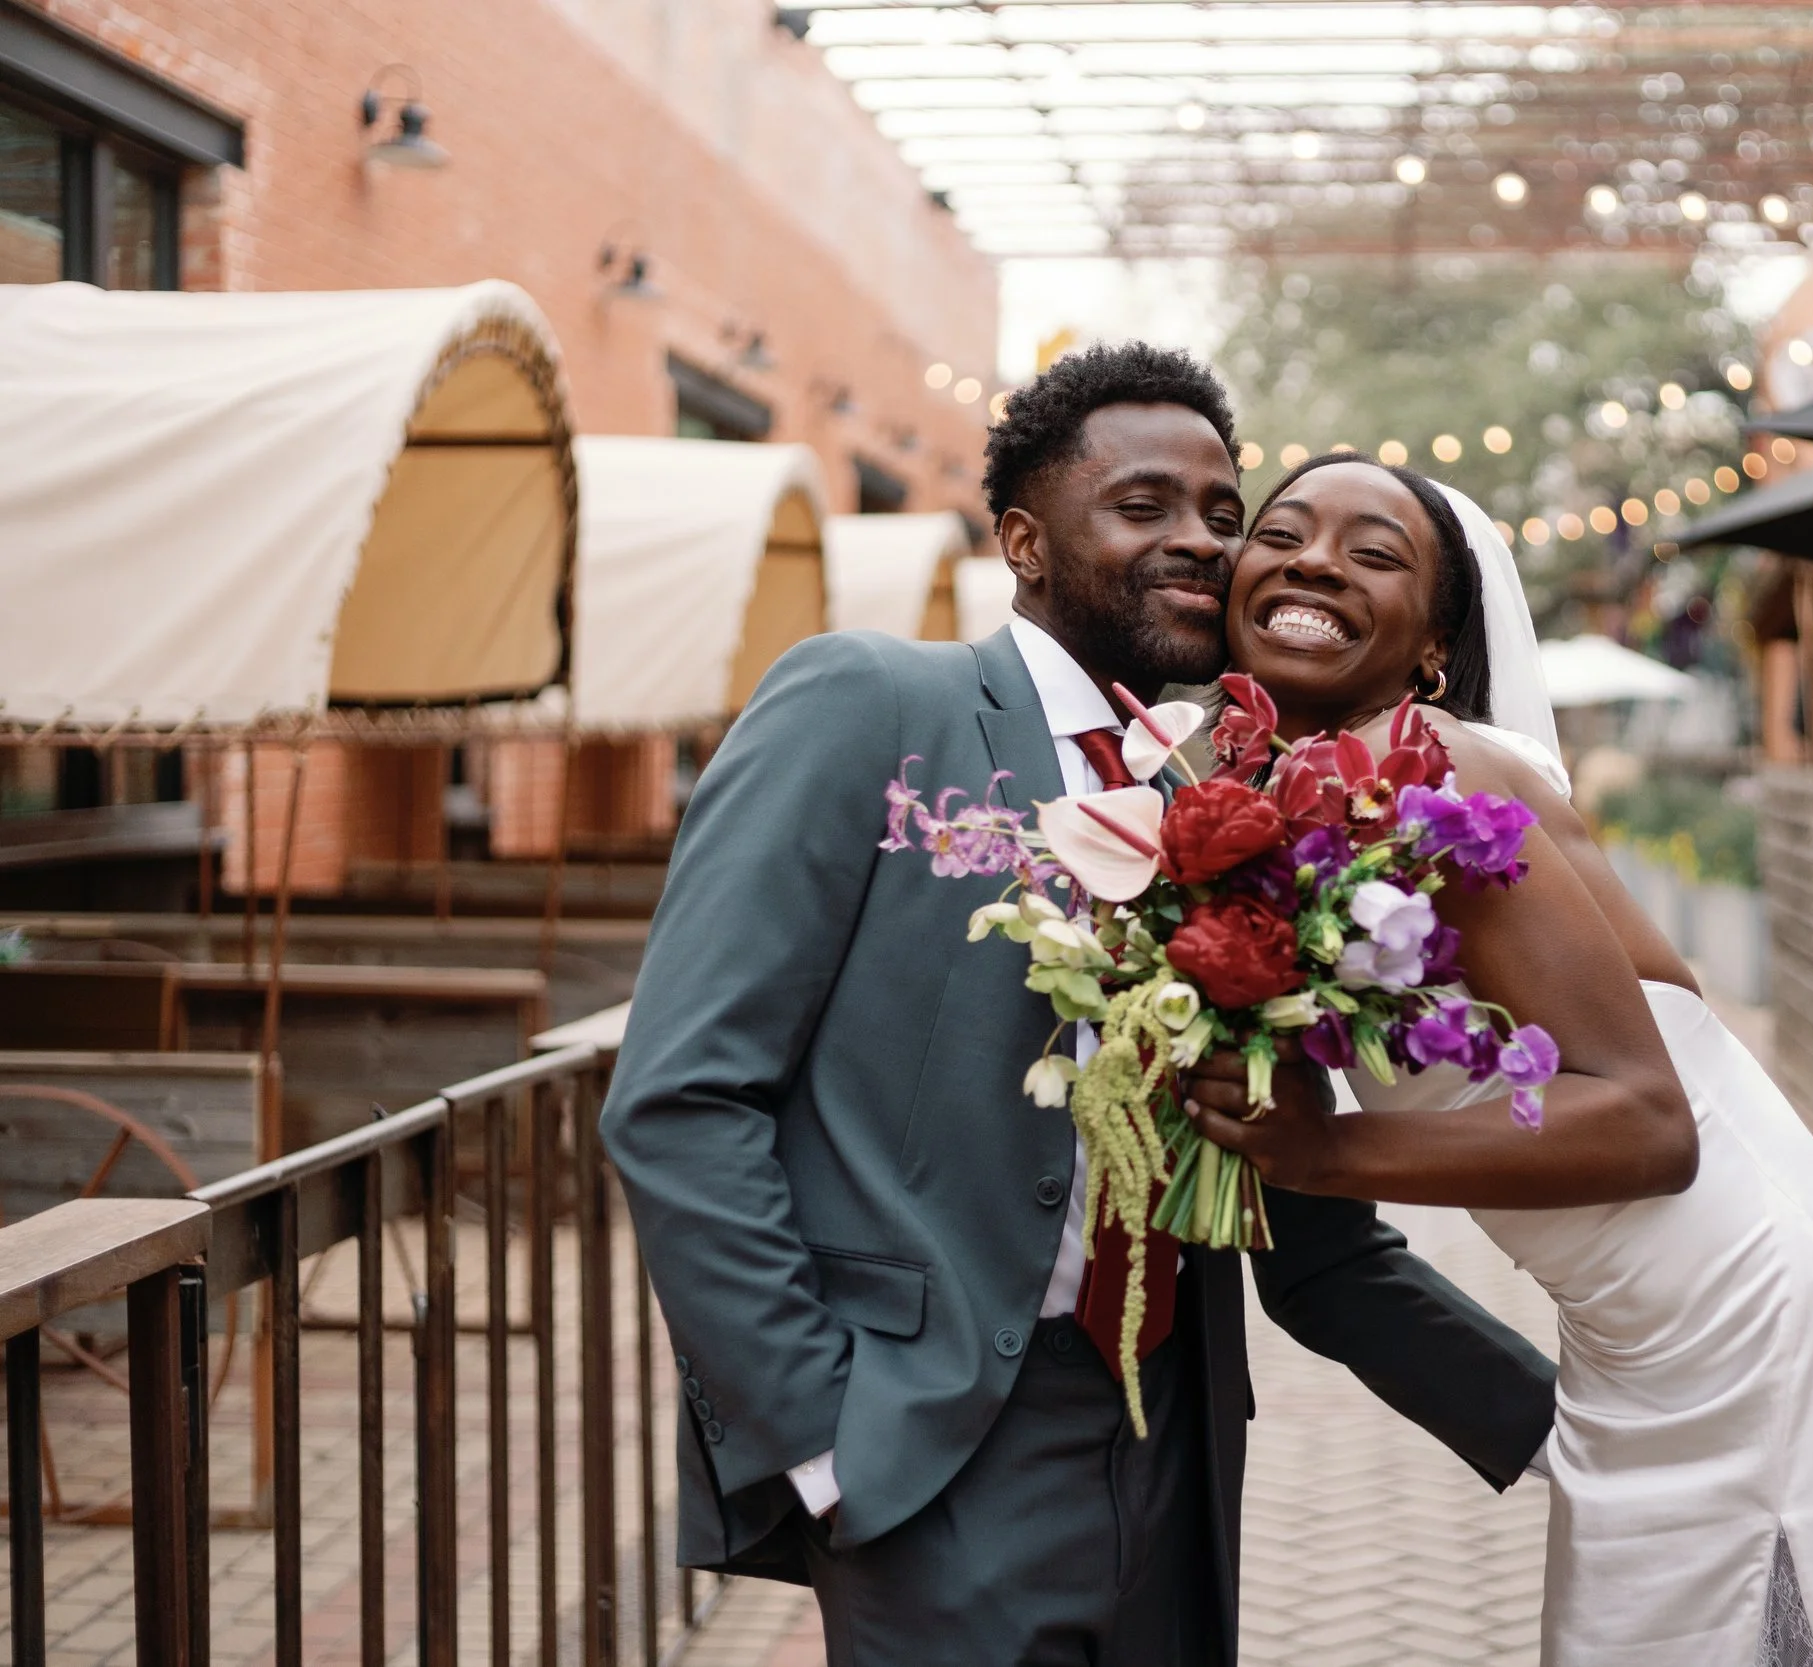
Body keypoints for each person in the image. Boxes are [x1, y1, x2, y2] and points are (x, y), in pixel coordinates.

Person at [599, 345, 1573, 1667]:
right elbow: (681, 1097)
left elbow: (1308, 1223)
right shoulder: (872, 703)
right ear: (1024, 538)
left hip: (1170, 1432)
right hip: (933, 1440)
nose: (1199, 542)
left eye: (1225, 514)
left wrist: (1588, 1436)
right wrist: (827, 1438)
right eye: (1144, 504)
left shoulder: (1220, 800)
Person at [1181, 451, 1813, 1667]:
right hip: (1637, 1353)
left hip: (1754, 1339)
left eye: (1375, 553)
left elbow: (1650, 1124)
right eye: (1284, 533)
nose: (1315, 560)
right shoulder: (1301, 801)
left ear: (1434, 645)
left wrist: (1326, 1148)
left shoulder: (1444, 771)